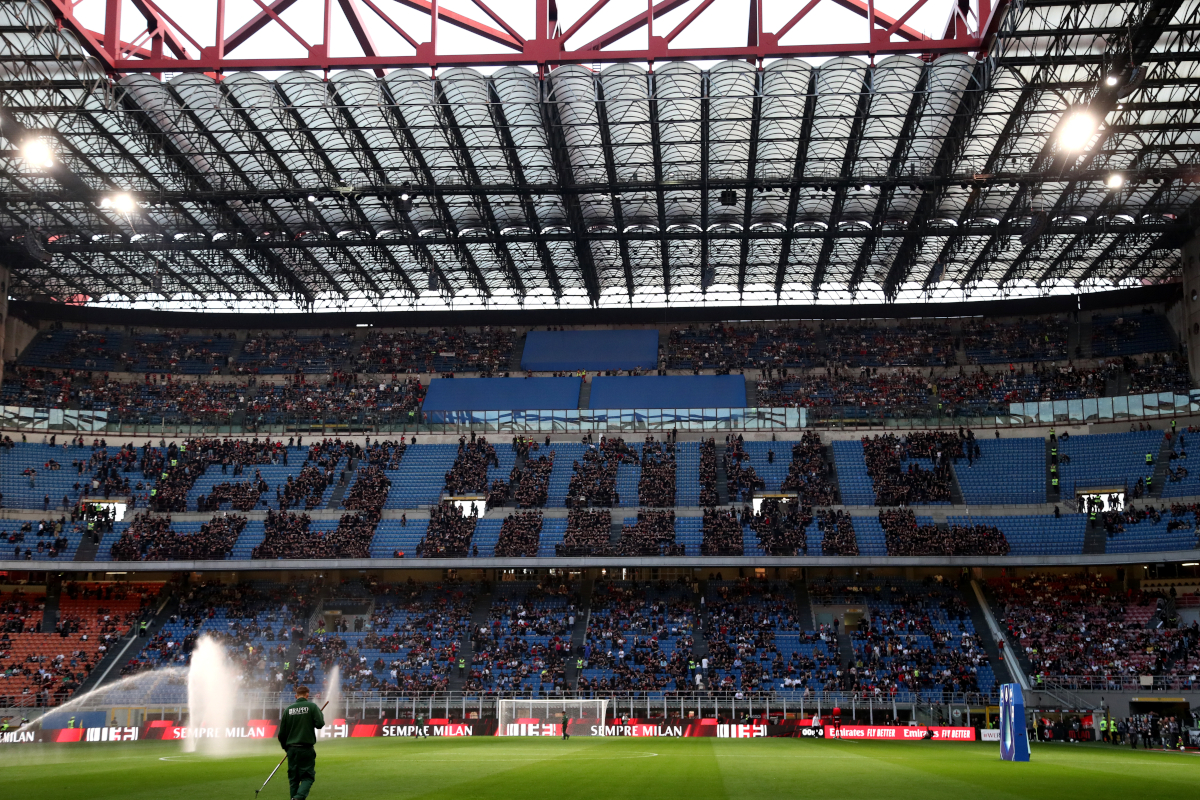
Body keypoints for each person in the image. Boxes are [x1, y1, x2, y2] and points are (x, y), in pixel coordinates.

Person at [277, 685, 325, 800]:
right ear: (307, 695)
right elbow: (320, 724)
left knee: (293, 780)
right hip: (306, 749)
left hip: (292, 749)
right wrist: (319, 714)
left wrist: (286, 748)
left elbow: (281, 734)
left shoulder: (288, 710)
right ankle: (298, 798)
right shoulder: (312, 706)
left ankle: (294, 798)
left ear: (296, 696)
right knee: (308, 777)